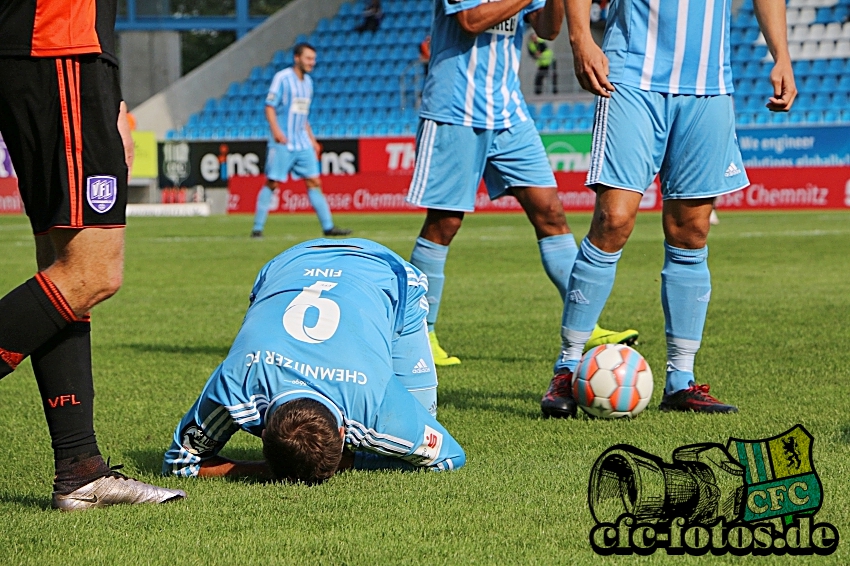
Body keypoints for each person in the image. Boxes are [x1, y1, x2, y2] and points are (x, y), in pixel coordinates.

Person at [541, 0, 796, 417]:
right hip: (631, 78)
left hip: (708, 86)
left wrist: (781, 55)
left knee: (691, 231)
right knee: (614, 219)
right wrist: (581, 37)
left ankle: (681, 379)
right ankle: (568, 367)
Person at [0, 0, 186, 509]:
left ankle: (79, 470)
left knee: (65, 274)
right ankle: (80, 469)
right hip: (60, 47)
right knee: (92, 272)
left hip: (67, 53)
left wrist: (115, 98)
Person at [406, 0, 638, 367]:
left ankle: (584, 321)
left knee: (550, 212)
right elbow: (469, 20)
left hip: (509, 111)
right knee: (444, 222)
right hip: (455, 109)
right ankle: (420, 333)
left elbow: (546, 30)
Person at [163, 239, 465, 482]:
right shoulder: (238, 381)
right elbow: (178, 464)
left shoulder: (375, 404)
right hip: (288, 264)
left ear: (265, 432)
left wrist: (266, 470)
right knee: (406, 453)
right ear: (343, 432)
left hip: (388, 275)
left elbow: (449, 458)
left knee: (417, 443)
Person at [252, 43, 350, 239]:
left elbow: (303, 115)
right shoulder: (282, 78)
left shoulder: (308, 83)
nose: (312, 63)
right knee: (273, 183)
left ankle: (328, 227)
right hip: (283, 141)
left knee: (314, 181)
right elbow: (269, 107)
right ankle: (257, 228)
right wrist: (276, 132)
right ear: (297, 58)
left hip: (302, 141)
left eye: (313, 59)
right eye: (308, 58)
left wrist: (312, 140)